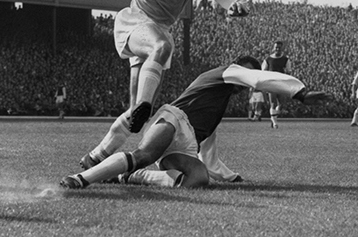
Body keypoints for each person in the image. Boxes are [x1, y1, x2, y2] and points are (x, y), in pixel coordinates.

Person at [29, 0, 250, 170]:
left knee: (135, 113)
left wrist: (239, 4)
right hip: (135, 23)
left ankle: (95, 157)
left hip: (160, 30)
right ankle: (145, 105)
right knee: (161, 49)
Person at [59, 55, 330, 189]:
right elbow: (258, 79)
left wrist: (230, 176)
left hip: (185, 143)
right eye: (247, 74)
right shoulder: (227, 72)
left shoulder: (218, 99)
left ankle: (128, 175)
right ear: (239, 68)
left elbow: (207, 147)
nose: (246, 84)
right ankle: (81, 179)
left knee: (198, 178)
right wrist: (300, 92)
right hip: (175, 118)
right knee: (143, 155)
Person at [262, 41, 292, 129]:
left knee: (281, 104)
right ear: (273, 48)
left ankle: (273, 117)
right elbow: (263, 71)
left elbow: (288, 71)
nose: (277, 49)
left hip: (281, 83)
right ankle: (275, 123)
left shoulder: (285, 59)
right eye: (276, 47)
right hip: (271, 83)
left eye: (279, 47)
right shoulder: (268, 59)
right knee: (273, 102)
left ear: (282, 48)